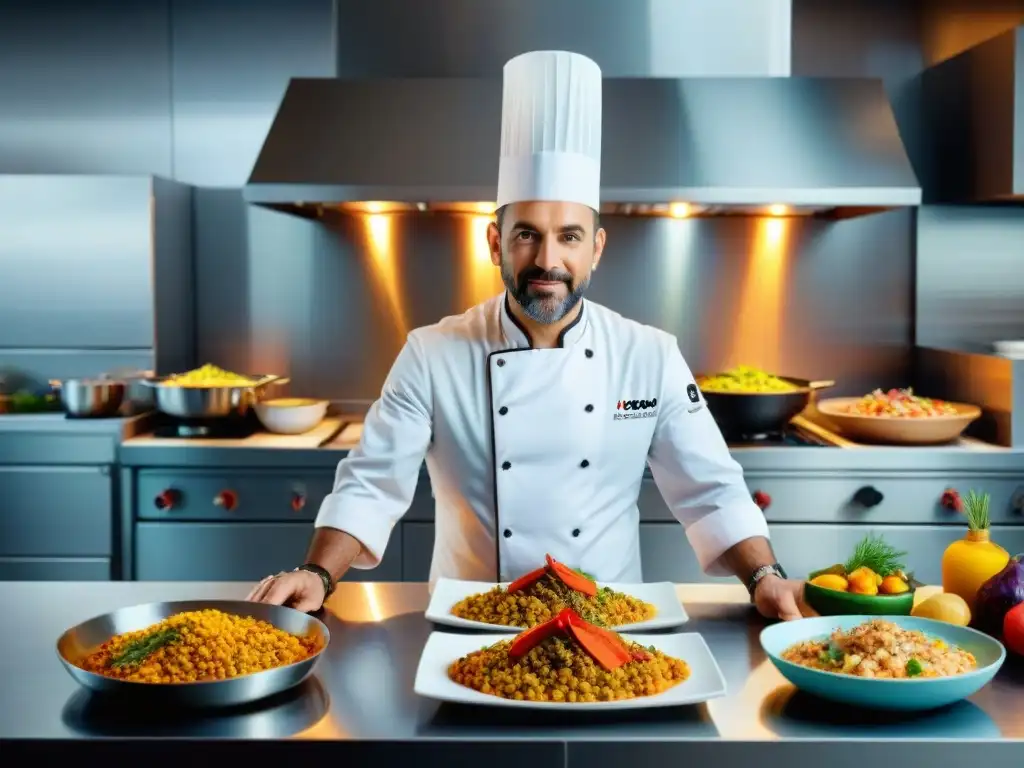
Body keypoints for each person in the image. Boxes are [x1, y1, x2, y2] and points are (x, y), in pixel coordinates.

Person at [247, 50, 810, 622]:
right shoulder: (432, 353)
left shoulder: (650, 356)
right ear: (495, 244)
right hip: (470, 625)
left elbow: (710, 488)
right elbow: (371, 482)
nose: (548, 259)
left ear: (596, 248)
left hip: (610, 629)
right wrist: (317, 572)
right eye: (526, 235)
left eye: (569, 237)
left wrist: (764, 576)